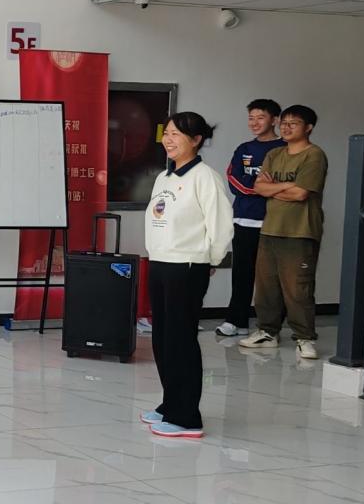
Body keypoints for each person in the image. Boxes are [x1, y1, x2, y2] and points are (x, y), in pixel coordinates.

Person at [141, 114, 233, 439]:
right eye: (166, 133)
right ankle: (170, 403)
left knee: (181, 340)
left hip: (187, 266)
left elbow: (221, 225)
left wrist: (211, 259)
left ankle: (187, 416)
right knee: (163, 338)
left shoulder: (205, 177)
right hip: (160, 263)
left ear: (196, 140)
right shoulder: (163, 178)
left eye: (176, 134)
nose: (168, 140)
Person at [241, 105, 328, 359]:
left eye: (294, 123)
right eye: (284, 123)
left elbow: (301, 194)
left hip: (300, 231)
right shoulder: (275, 153)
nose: (286, 128)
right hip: (270, 229)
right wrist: (286, 185)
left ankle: (304, 338)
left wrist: (275, 187)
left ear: (308, 127)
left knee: (298, 288)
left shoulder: (314, 155)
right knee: (266, 286)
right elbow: (259, 188)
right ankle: (268, 332)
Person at [216, 98, 283, 338]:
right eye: (251, 118)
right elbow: (235, 182)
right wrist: (265, 187)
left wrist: (268, 187)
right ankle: (236, 321)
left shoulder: (285, 148)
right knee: (242, 273)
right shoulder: (244, 149)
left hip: (275, 222)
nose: (254, 123)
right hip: (244, 220)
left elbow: (288, 185)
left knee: (272, 277)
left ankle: (270, 327)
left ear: (274, 120)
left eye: (260, 118)